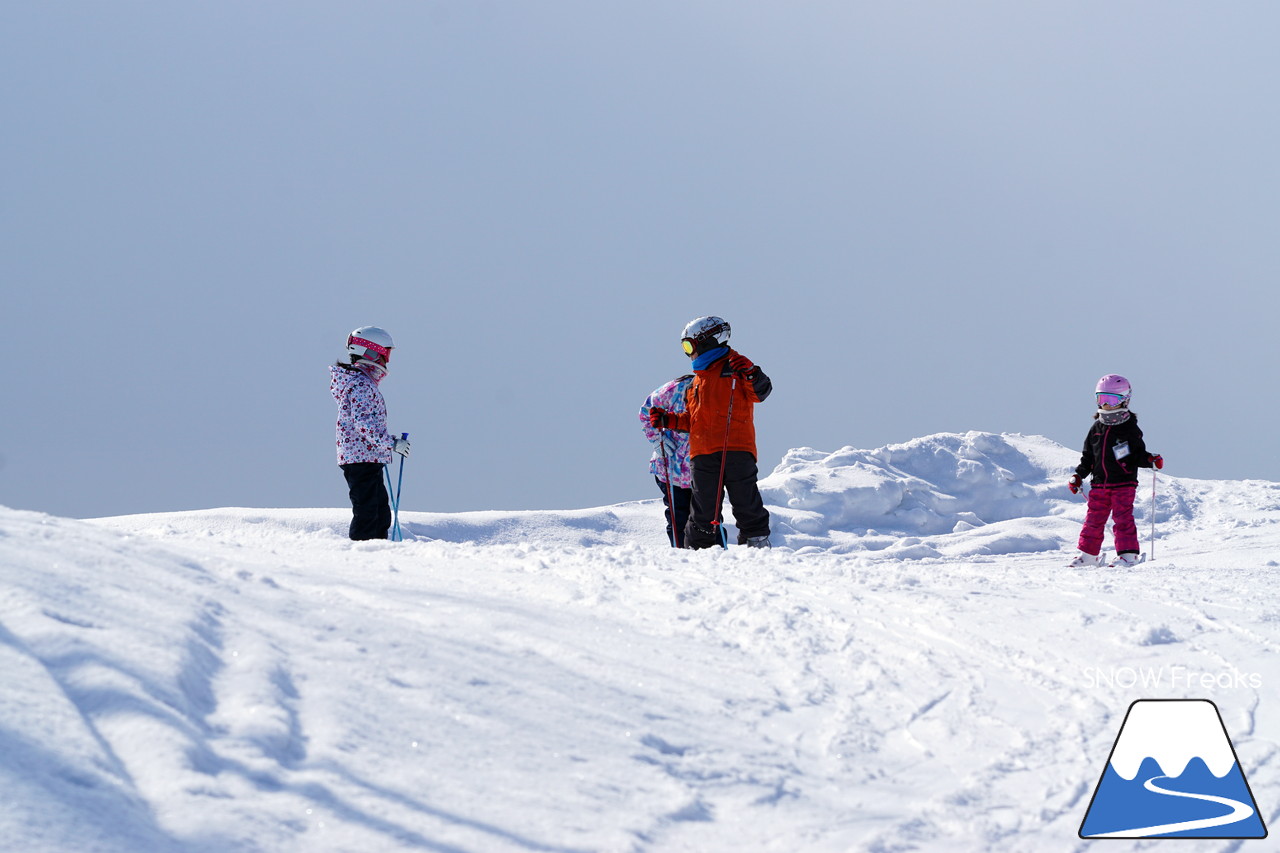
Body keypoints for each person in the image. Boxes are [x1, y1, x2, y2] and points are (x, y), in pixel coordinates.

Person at [648, 316, 773, 549]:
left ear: (707, 341)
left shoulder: (734, 366)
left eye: (689, 346)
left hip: (735, 445)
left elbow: (760, 392)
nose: (688, 354)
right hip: (702, 451)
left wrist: (752, 373)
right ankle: (699, 550)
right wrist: (669, 420)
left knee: (744, 497)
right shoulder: (697, 381)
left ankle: (756, 540)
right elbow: (695, 421)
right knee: (703, 505)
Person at [1066, 374, 1163, 568]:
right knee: (1093, 520)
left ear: (1124, 399)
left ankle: (1128, 555)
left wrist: (1150, 459)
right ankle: (1088, 555)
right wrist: (1078, 475)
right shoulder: (1096, 428)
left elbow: (1137, 454)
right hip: (1099, 483)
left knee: (1122, 518)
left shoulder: (1128, 427)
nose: (1106, 405)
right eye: (1102, 399)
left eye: (1111, 400)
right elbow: (1088, 457)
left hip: (1124, 482)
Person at [329, 326, 411, 540]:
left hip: (367, 456)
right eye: (385, 353)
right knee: (367, 510)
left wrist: (387, 443)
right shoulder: (361, 385)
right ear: (371, 352)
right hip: (360, 457)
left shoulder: (363, 383)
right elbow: (363, 423)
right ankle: (362, 552)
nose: (387, 360)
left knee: (380, 512)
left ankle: (378, 550)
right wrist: (390, 444)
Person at [640, 374, 695, 547]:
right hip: (671, 468)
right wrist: (657, 439)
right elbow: (646, 411)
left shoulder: (718, 390)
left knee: (707, 519)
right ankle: (681, 555)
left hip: (701, 470)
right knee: (678, 517)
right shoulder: (676, 389)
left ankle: (710, 557)